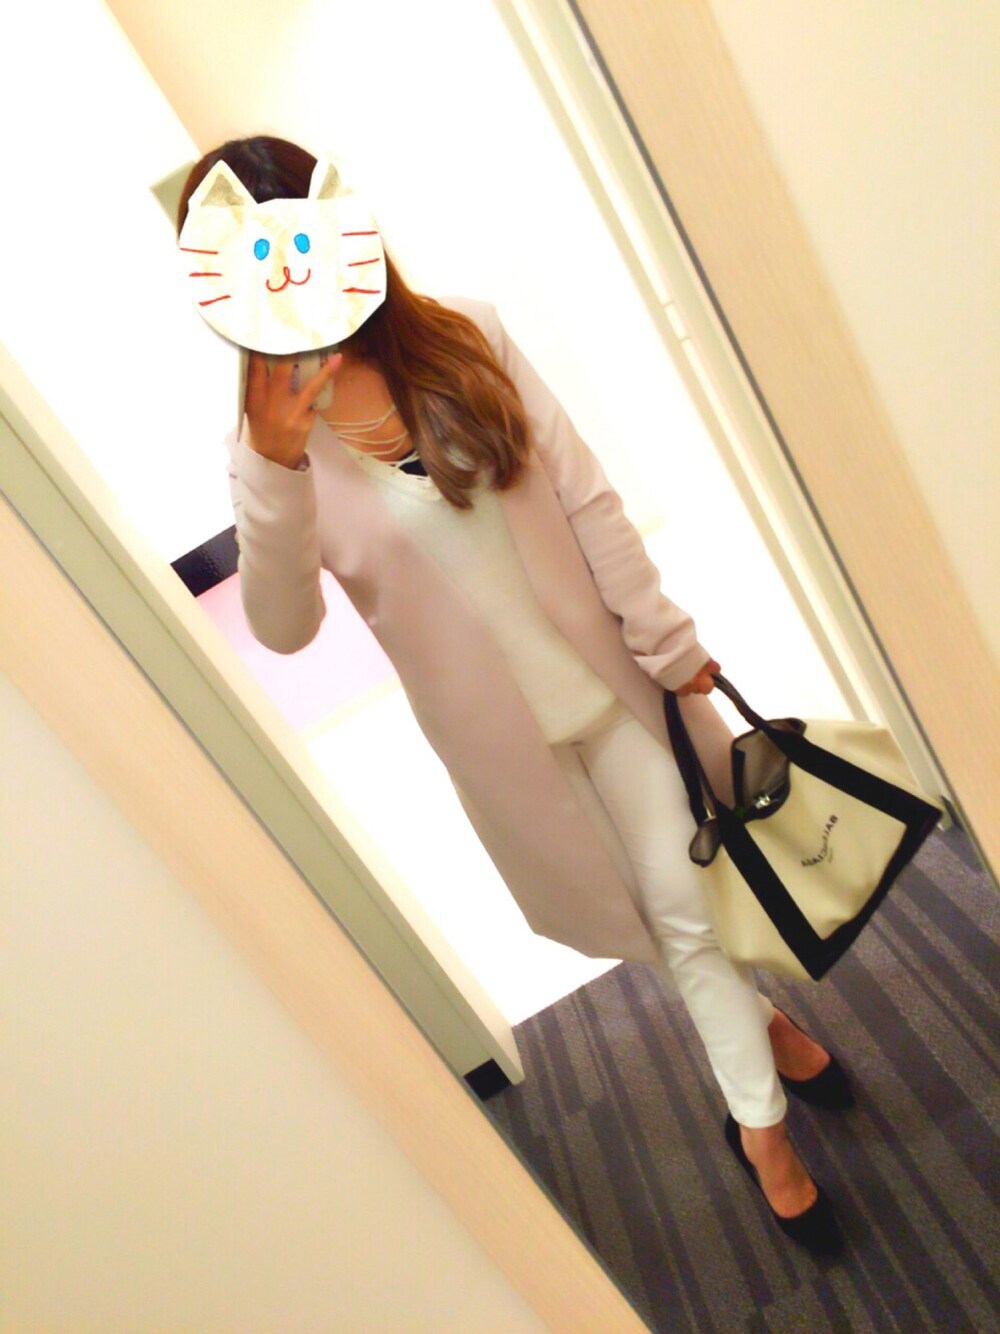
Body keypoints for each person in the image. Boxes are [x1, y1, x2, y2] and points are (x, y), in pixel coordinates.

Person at [178, 136, 852, 1255]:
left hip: (618, 692)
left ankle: (763, 1134)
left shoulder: (466, 334)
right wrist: (277, 466)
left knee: (684, 908)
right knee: (645, 917)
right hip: (505, 750)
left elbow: (584, 497)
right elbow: (286, 628)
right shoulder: (267, 454)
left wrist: (665, 634)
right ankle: (767, 1029)